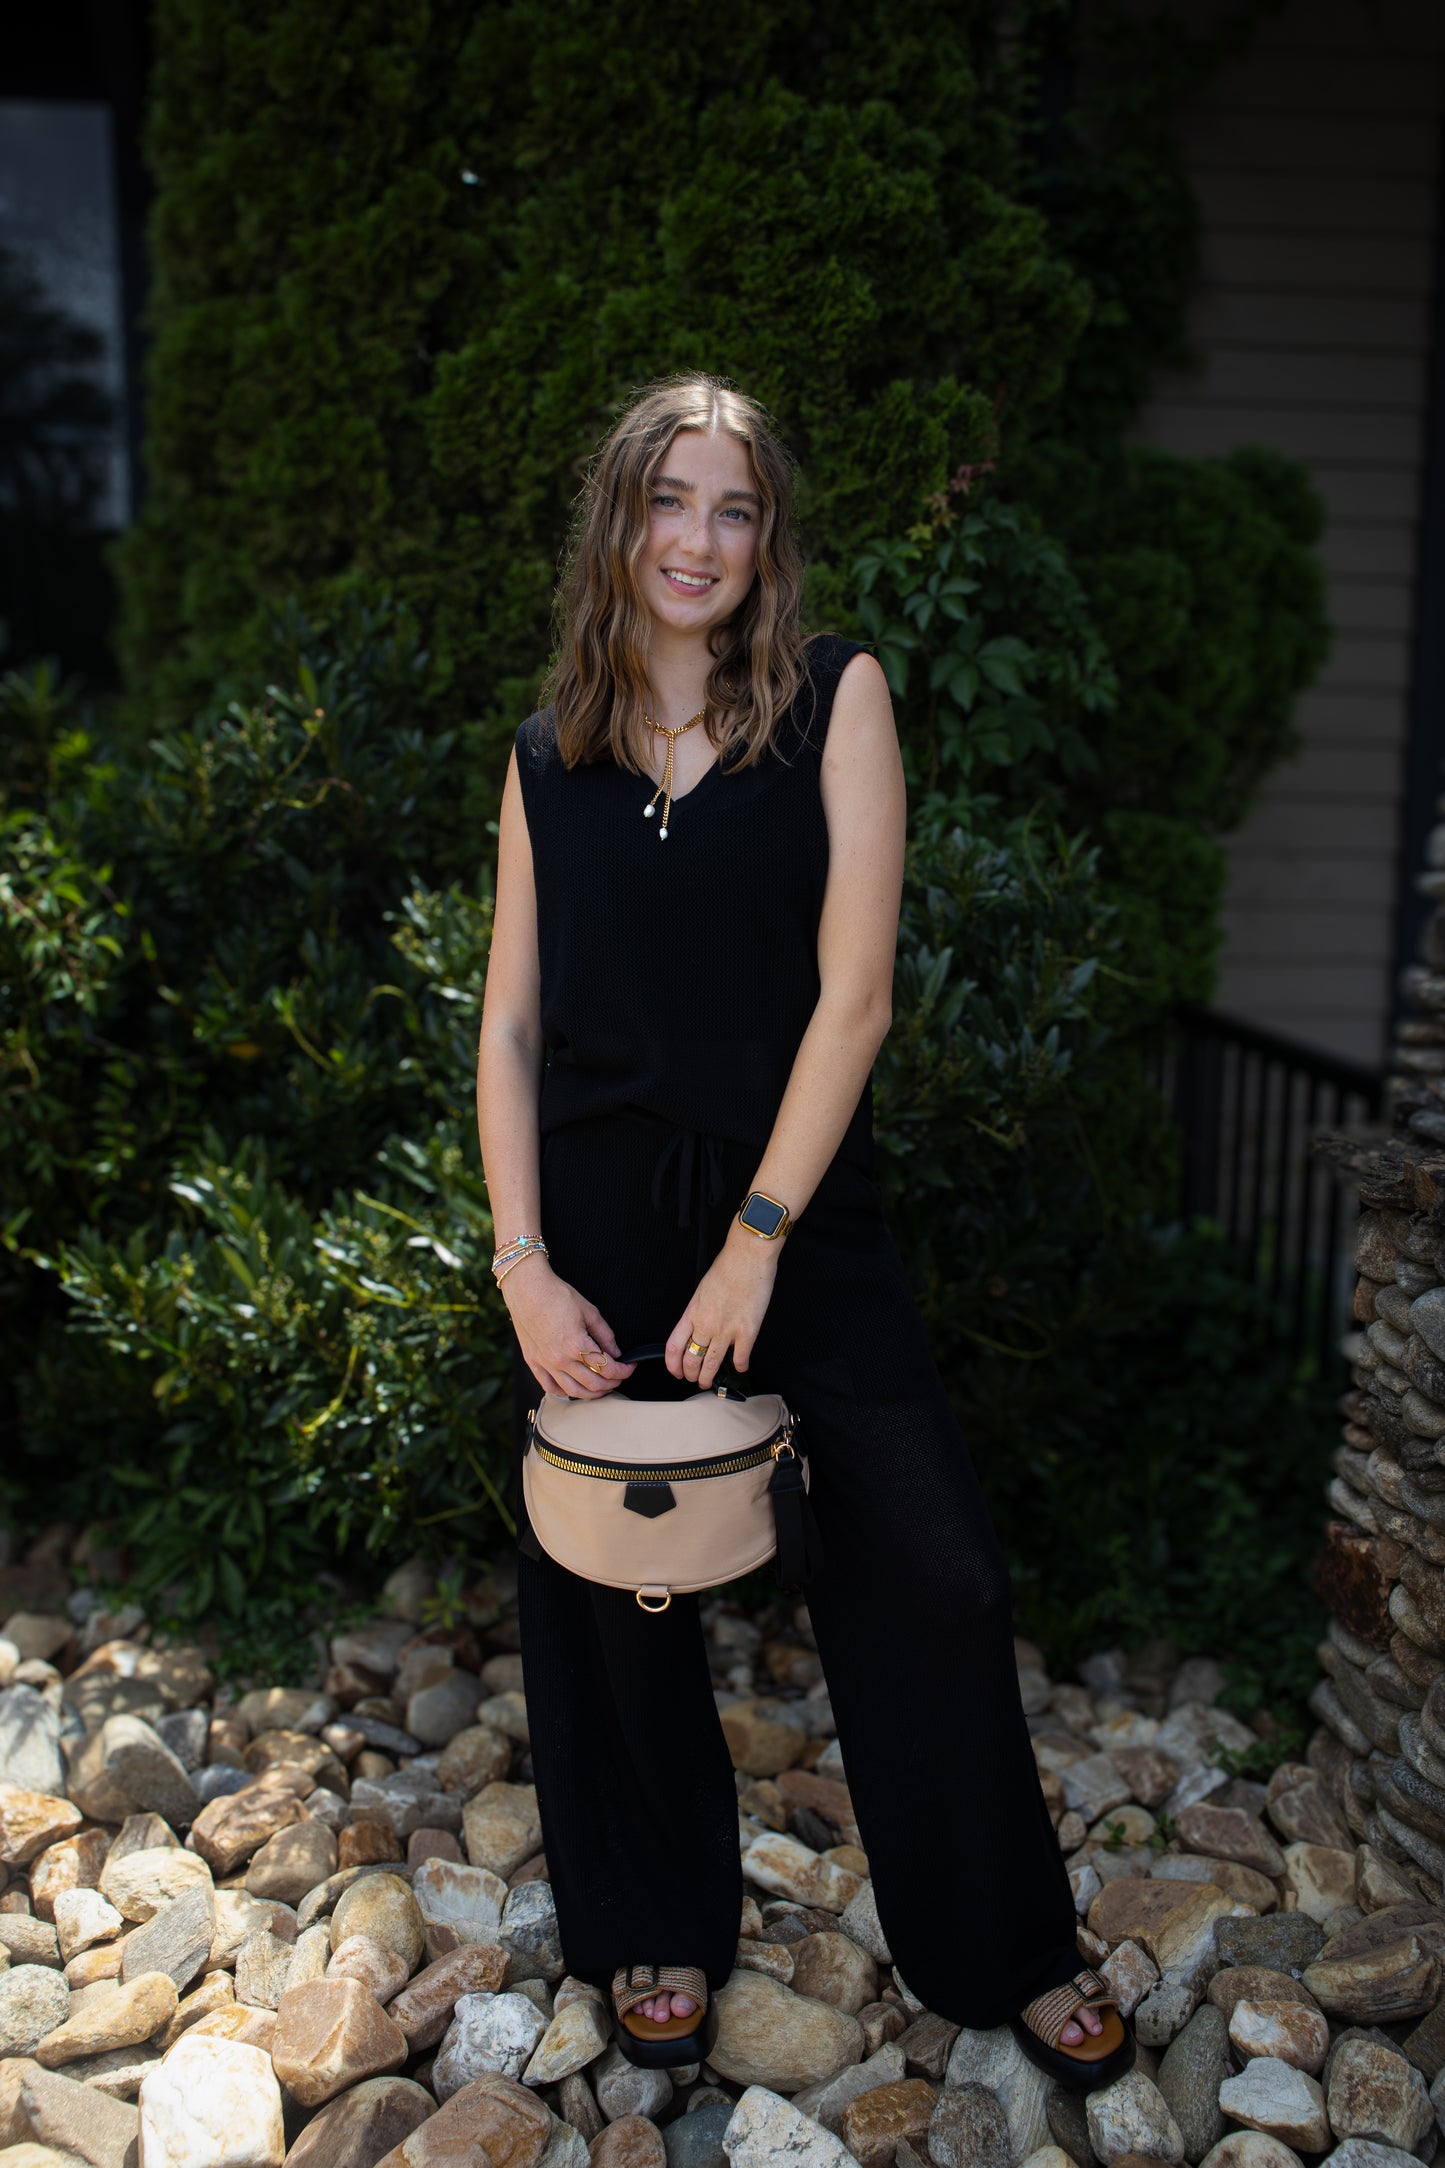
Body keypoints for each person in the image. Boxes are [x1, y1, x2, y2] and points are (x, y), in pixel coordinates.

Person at [476, 374, 1133, 2091]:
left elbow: (854, 1000)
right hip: (595, 1219)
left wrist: (759, 1235)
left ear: (768, 537)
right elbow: (512, 1029)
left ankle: (1004, 1949)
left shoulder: (835, 697)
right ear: (617, 522)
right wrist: (523, 1265)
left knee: (934, 1570)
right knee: (612, 1584)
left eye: (735, 507)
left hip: (798, 1208)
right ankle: (652, 1923)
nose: (697, 540)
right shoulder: (546, 756)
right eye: (668, 500)